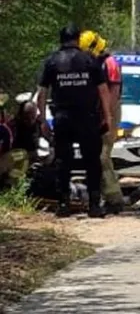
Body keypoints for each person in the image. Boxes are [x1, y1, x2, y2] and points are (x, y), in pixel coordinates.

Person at [35, 23, 114, 218]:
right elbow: (103, 91)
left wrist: (43, 120)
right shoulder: (90, 60)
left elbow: (41, 94)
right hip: (88, 118)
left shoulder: (52, 61)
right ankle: (94, 205)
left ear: (61, 40)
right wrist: (108, 116)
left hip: (62, 118)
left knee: (63, 160)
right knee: (91, 161)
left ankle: (63, 204)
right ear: (78, 39)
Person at [80, 31, 126, 214]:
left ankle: (115, 199)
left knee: (103, 156)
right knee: (97, 157)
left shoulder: (110, 63)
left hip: (109, 113)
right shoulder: (96, 63)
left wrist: (107, 117)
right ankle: (101, 195)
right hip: (98, 113)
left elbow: (113, 94)